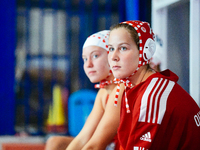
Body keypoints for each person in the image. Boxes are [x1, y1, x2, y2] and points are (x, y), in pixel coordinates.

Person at [108, 20, 200, 150]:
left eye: (123, 48)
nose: (113, 57)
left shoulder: (151, 96)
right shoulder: (134, 88)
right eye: (111, 49)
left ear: (145, 52)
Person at [45, 30, 124, 150]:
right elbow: (84, 136)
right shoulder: (103, 92)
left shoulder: (122, 89)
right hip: (111, 145)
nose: (88, 65)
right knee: (55, 143)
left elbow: (95, 145)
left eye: (95, 56)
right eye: (85, 59)